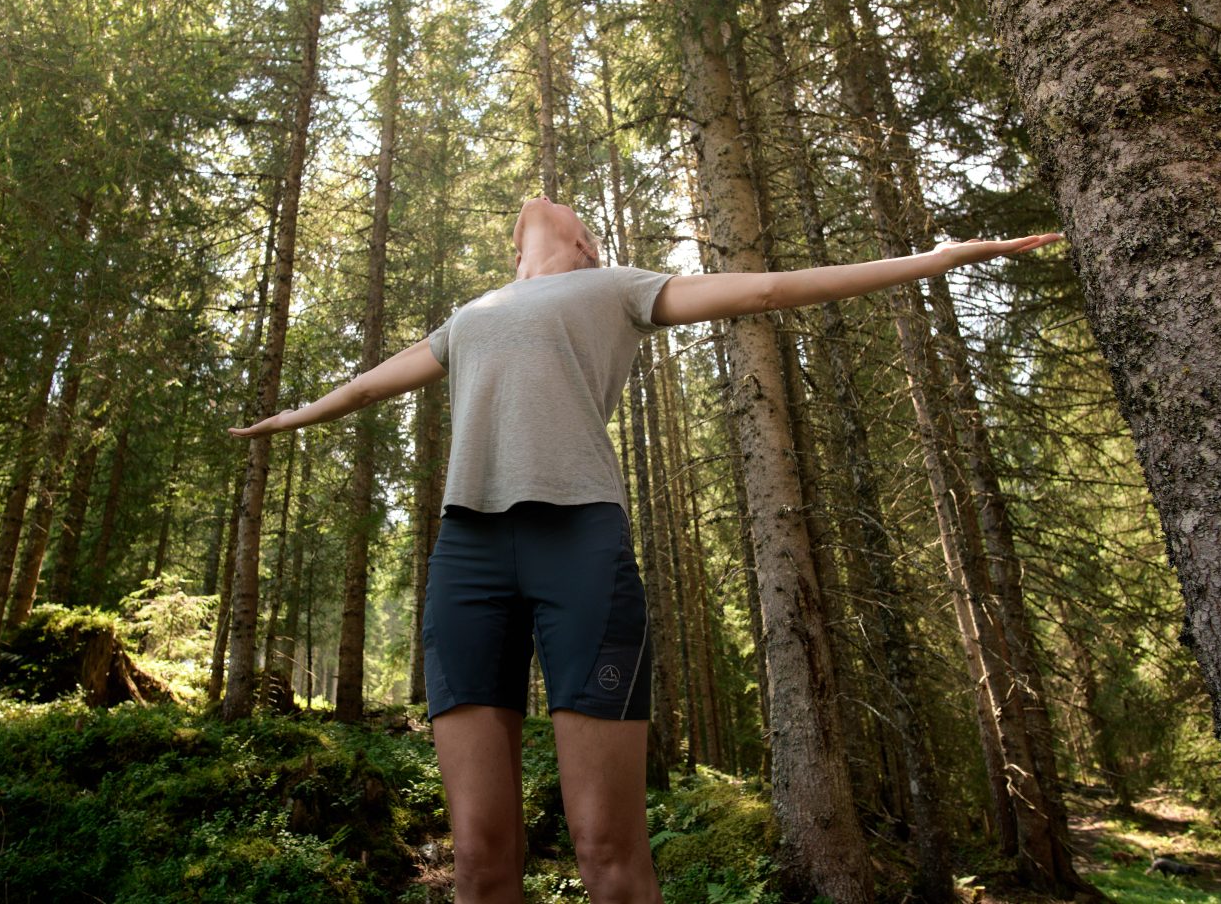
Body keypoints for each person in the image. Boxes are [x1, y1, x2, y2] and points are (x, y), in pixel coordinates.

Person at [229, 195, 1061, 904]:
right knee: (480, 863)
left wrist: (937, 258)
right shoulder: (468, 317)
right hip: (468, 556)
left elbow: (770, 289)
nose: (546, 199)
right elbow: (370, 382)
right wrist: (294, 417)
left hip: (579, 547)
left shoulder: (615, 285)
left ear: (587, 241)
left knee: (607, 856)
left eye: (571, 208)